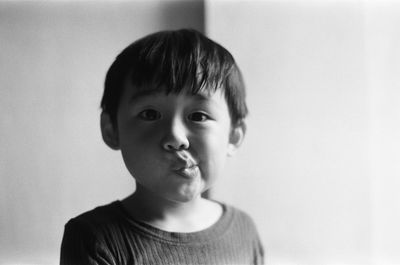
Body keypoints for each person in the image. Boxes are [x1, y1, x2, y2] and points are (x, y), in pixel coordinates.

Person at [60, 29, 264, 265]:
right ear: (111, 129)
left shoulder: (243, 231)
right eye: (150, 114)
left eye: (198, 116)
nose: (176, 137)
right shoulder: (94, 238)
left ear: (234, 136)